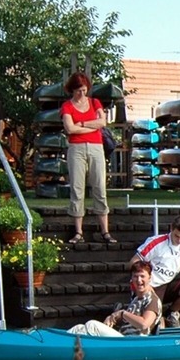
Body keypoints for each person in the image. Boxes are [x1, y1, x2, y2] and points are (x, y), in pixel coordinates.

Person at [60, 71, 115, 246]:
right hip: (76, 148)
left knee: (100, 186)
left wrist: (82, 124)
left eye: (84, 90)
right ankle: (78, 231)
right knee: (77, 188)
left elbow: (102, 122)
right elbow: (69, 129)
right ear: (72, 90)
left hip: (96, 147)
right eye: (78, 91)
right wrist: (91, 126)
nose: (81, 94)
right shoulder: (67, 106)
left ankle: (105, 230)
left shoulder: (94, 102)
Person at [129, 216, 180, 327]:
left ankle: (171, 313)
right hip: (147, 286)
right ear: (171, 229)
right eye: (177, 236)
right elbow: (133, 262)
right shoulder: (156, 242)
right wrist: (144, 284)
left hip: (165, 285)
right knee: (154, 325)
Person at [68, 262, 162, 337]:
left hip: (134, 341)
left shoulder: (152, 300)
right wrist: (112, 317)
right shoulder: (137, 298)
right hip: (123, 336)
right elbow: (126, 319)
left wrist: (123, 313)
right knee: (78, 328)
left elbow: (144, 324)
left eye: (142, 276)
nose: (139, 280)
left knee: (92, 325)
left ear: (149, 278)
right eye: (135, 276)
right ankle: (61, 344)